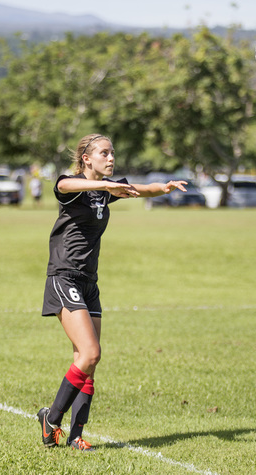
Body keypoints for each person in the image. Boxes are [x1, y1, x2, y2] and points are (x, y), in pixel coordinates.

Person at [37, 133, 187, 451]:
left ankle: (75, 434)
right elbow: (64, 185)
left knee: (87, 361)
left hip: (89, 284)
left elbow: (139, 189)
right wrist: (105, 186)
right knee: (91, 353)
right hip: (64, 278)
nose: (111, 158)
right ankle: (51, 419)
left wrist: (164, 188)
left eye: (112, 153)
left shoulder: (107, 191)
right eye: (104, 153)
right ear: (86, 159)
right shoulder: (73, 185)